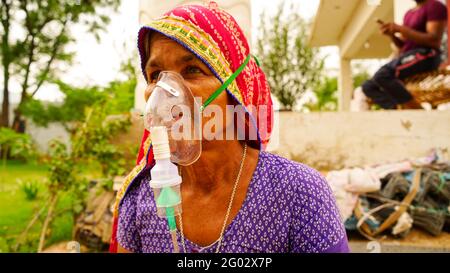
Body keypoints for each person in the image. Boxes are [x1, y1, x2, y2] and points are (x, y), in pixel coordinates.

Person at [110, 2, 349, 253]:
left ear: (235, 87)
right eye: (156, 75)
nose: (166, 92)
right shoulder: (139, 199)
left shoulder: (300, 193)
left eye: (192, 70)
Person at [362, 0, 447, 109]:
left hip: (427, 54)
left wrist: (400, 29)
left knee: (383, 75)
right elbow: (403, 46)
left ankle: (417, 111)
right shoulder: (409, 13)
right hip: (408, 56)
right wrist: (392, 35)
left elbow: (433, 40)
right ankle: (398, 110)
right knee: (368, 86)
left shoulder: (434, 6)